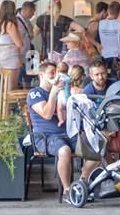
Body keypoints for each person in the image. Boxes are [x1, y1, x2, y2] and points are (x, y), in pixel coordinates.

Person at [26, 61, 80, 201]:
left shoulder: (63, 91)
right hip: (45, 137)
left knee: (96, 145)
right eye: (51, 73)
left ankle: (83, 183)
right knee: (64, 150)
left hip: (68, 133)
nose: (55, 76)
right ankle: (67, 191)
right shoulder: (35, 93)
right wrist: (54, 92)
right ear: (41, 75)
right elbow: (46, 114)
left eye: (57, 73)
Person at [0, 0, 26, 118]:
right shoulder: (10, 24)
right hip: (10, 57)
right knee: (10, 89)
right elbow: (19, 43)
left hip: (0, 56)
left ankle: (2, 113)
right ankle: (6, 116)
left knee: (4, 87)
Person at [97, 0, 120, 76]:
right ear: (118, 12)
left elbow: (87, 34)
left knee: (105, 75)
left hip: (104, 54)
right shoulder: (119, 23)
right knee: (115, 76)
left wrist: (96, 44)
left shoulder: (100, 23)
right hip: (117, 55)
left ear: (108, 10)